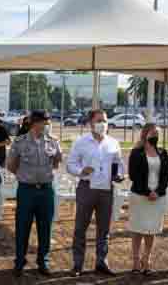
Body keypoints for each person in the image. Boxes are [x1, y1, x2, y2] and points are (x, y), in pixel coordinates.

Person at [67, 109, 124, 276]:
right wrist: (81, 171)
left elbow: (119, 164)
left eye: (105, 120)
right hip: (87, 187)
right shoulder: (81, 142)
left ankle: (101, 262)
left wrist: (119, 175)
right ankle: (78, 264)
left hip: (106, 189)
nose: (103, 124)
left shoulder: (113, 143)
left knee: (104, 229)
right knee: (80, 228)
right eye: (99, 121)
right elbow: (70, 164)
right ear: (90, 123)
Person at [7, 110, 62, 276]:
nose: (48, 126)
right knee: (22, 226)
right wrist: (26, 177)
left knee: (45, 227)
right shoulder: (20, 142)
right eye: (45, 123)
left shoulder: (53, 141)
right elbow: (11, 165)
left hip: (46, 190)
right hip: (27, 190)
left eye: (48, 123)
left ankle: (43, 261)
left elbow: (57, 163)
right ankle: (20, 261)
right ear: (35, 123)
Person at [127, 123, 168, 274]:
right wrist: (147, 192)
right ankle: (135, 261)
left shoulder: (163, 152)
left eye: (157, 134)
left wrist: (158, 192)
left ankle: (146, 259)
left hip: (157, 197)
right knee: (138, 229)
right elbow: (133, 175)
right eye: (153, 133)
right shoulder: (136, 153)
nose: (155, 136)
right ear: (145, 134)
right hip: (140, 196)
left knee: (151, 230)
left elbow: (166, 175)